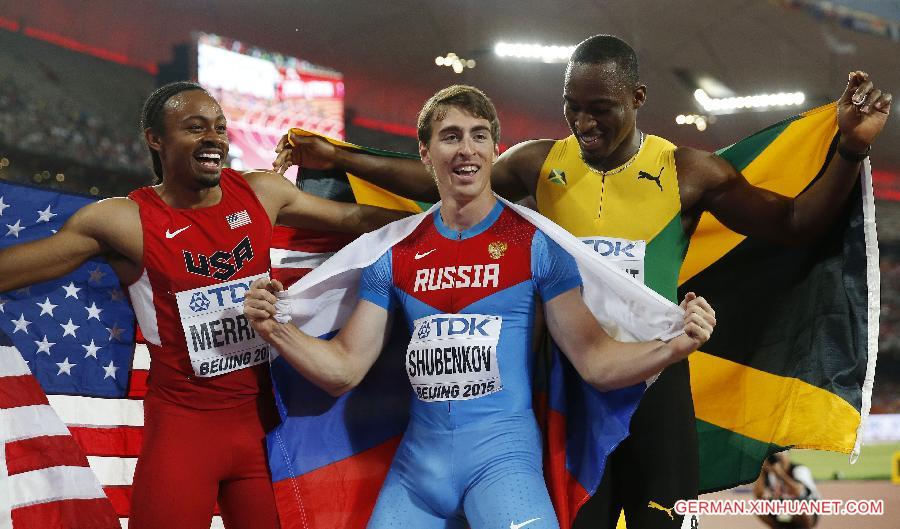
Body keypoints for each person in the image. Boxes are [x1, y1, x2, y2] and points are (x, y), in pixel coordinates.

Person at [273, 35, 892, 528]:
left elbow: (791, 223)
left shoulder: (686, 171)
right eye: (572, 106)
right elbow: (442, 179)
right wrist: (343, 157)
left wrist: (848, 149)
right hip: (571, 385)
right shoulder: (542, 164)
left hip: (655, 382)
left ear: (638, 97)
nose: (583, 122)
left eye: (601, 108)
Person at [244, 84, 717, 529]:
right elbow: (343, 369)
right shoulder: (393, 254)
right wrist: (275, 328)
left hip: (504, 466)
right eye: (451, 137)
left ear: (495, 149)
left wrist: (676, 345)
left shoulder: (536, 246)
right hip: (416, 477)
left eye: (479, 136)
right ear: (427, 154)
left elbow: (595, 361)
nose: (467, 149)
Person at [0, 81, 407, 529]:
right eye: (195, 128)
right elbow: (18, 268)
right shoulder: (123, 221)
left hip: (262, 428)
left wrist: (445, 222)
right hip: (182, 432)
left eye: (219, 127)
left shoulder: (262, 194)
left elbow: (355, 220)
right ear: (156, 139)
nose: (213, 137)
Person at [753, 453, 820, 529]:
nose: (778, 461)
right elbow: (759, 494)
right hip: (783, 508)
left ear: (788, 455)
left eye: (780, 457)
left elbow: (798, 491)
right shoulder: (770, 473)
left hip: (807, 509)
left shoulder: (799, 469)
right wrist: (761, 470)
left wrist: (780, 473)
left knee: (800, 508)